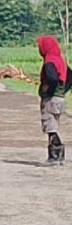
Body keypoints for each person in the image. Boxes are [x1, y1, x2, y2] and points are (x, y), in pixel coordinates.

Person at [36, 35, 68, 165]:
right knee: (54, 125)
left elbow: (52, 78)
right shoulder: (60, 60)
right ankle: (59, 156)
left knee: (50, 127)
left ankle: (54, 156)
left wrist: (47, 92)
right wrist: (62, 91)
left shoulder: (49, 61)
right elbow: (70, 76)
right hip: (59, 99)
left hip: (51, 99)